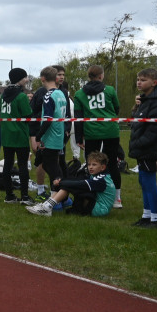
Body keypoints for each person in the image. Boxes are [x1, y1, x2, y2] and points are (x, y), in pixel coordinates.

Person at [72, 65, 122, 208]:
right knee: (112, 163)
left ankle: (92, 195)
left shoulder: (79, 93)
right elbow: (116, 108)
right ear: (101, 76)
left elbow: (78, 117)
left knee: (91, 164)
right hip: (110, 130)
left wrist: (78, 137)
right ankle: (117, 199)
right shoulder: (110, 90)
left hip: (91, 131)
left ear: (89, 76)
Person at [129, 68, 157, 229]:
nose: (139, 83)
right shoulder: (145, 100)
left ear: (154, 82)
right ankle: (146, 216)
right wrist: (136, 108)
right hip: (142, 148)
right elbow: (136, 122)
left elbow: (155, 128)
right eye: (138, 79)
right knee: (143, 181)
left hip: (150, 148)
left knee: (149, 182)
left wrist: (140, 142)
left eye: (143, 80)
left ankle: (156, 219)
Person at [26, 152, 116, 217]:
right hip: (96, 206)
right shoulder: (100, 175)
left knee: (71, 186)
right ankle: (47, 205)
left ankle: (47, 207)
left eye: (94, 165)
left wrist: (61, 183)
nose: (90, 167)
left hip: (99, 210)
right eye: (89, 164)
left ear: (102, 167)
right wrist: (61, 181)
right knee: (71, 184)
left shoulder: (101, 179)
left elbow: (80, 184)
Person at [30, 67, 67, 199]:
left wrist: (38, 136)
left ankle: (58, 198)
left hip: (51, 136)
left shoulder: (49, 95)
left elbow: (48, 120)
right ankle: (60, 197)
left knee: (52, 168)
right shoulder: (61, 93)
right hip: (59, 134)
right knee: (51, 165)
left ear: (42, 78)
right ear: (56, 78)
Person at [0, 67, 33, 205]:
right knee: (23, 165)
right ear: (19, 79)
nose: (27, 80)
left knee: (8, 164)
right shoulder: (21, 96)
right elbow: (27, 114)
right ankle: (24, 196)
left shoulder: (3, 95)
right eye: (25, 77)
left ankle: (9, 195)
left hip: (7, 134)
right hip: (20, 134)